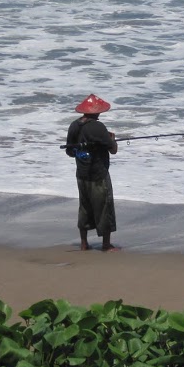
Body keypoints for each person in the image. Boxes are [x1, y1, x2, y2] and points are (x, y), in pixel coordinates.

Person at [64, 94, 119, 251]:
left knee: (85, 207)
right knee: (104, 207)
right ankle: (106, 245)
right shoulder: (98, 127)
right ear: (97, 111)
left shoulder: (74, 125)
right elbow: (113, 150)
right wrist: (112, 138)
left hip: (82, 174)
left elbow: (69, 152)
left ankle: (84, 243)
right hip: (98, 174)